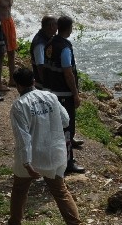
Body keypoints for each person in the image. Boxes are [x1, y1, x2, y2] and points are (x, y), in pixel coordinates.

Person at [8, 68, 83, 225]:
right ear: (33, 81)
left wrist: (27, 164)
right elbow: (65, 120)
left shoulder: (19, 105)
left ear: (18, 85)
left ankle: (15, 222)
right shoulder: (50, 97)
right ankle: (74, 223)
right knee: (60, 191)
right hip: (54, 153)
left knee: (20, 190)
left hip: (32, 156)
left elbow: (23, 138)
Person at [44, 16, 85, 174]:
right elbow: (68, 73)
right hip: (63, 94)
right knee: (67, 128)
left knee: (54, 128)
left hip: (50, 91)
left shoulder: (50, 43)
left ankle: (55, 158)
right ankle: (68, 163)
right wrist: (75, 94)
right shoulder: (65, 47)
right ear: (69, 29)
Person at [0, 0, 18, 90]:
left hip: (10, 23)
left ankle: (12, 79)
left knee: (12, 52)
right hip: (1, 25)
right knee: (1, 55)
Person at [30, 16, 57, 90]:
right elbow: (40, 67)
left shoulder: (47, 38)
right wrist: (46, 84)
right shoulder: (40, 44)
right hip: (42, 85)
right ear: (51, 26)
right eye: (56, 24)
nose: (57, 27)